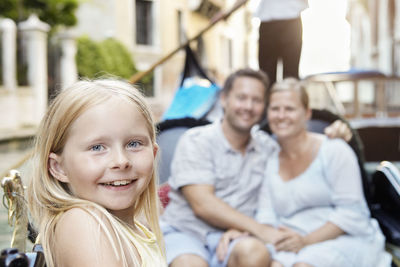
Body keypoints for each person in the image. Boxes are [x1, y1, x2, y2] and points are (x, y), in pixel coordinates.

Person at [160, 68, 353, 267]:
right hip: (187, 233)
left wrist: (336, 135)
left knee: (255, 253)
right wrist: (260, 230)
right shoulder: (196, 141)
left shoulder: (269, 148)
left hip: (238, 236)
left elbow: (302, 148)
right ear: (224, 99)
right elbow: (203, 205)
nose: (248, 106)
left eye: (257, 100)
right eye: (241, 98)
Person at [27, 79, 166, 267]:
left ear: (153, 153)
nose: (121, 161)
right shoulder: (84, 224)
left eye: (134, 144)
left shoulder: (137, 229)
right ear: (59, 168)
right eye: (97, 147)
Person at [252, 78, 390, 267]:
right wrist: (279, 239)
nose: (281, 115)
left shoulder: (334, 150)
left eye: (290, 109)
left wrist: (305, 241)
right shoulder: (267, 155)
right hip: (289, 240)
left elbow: (351, 213)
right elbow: (266, 213)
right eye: (275, 109)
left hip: (341, 238)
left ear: (307, 113)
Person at [255, 0, 308, 85]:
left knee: (290, 77)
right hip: (270, 20)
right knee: (267, 76)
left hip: (291, 20)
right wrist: (228, 13)